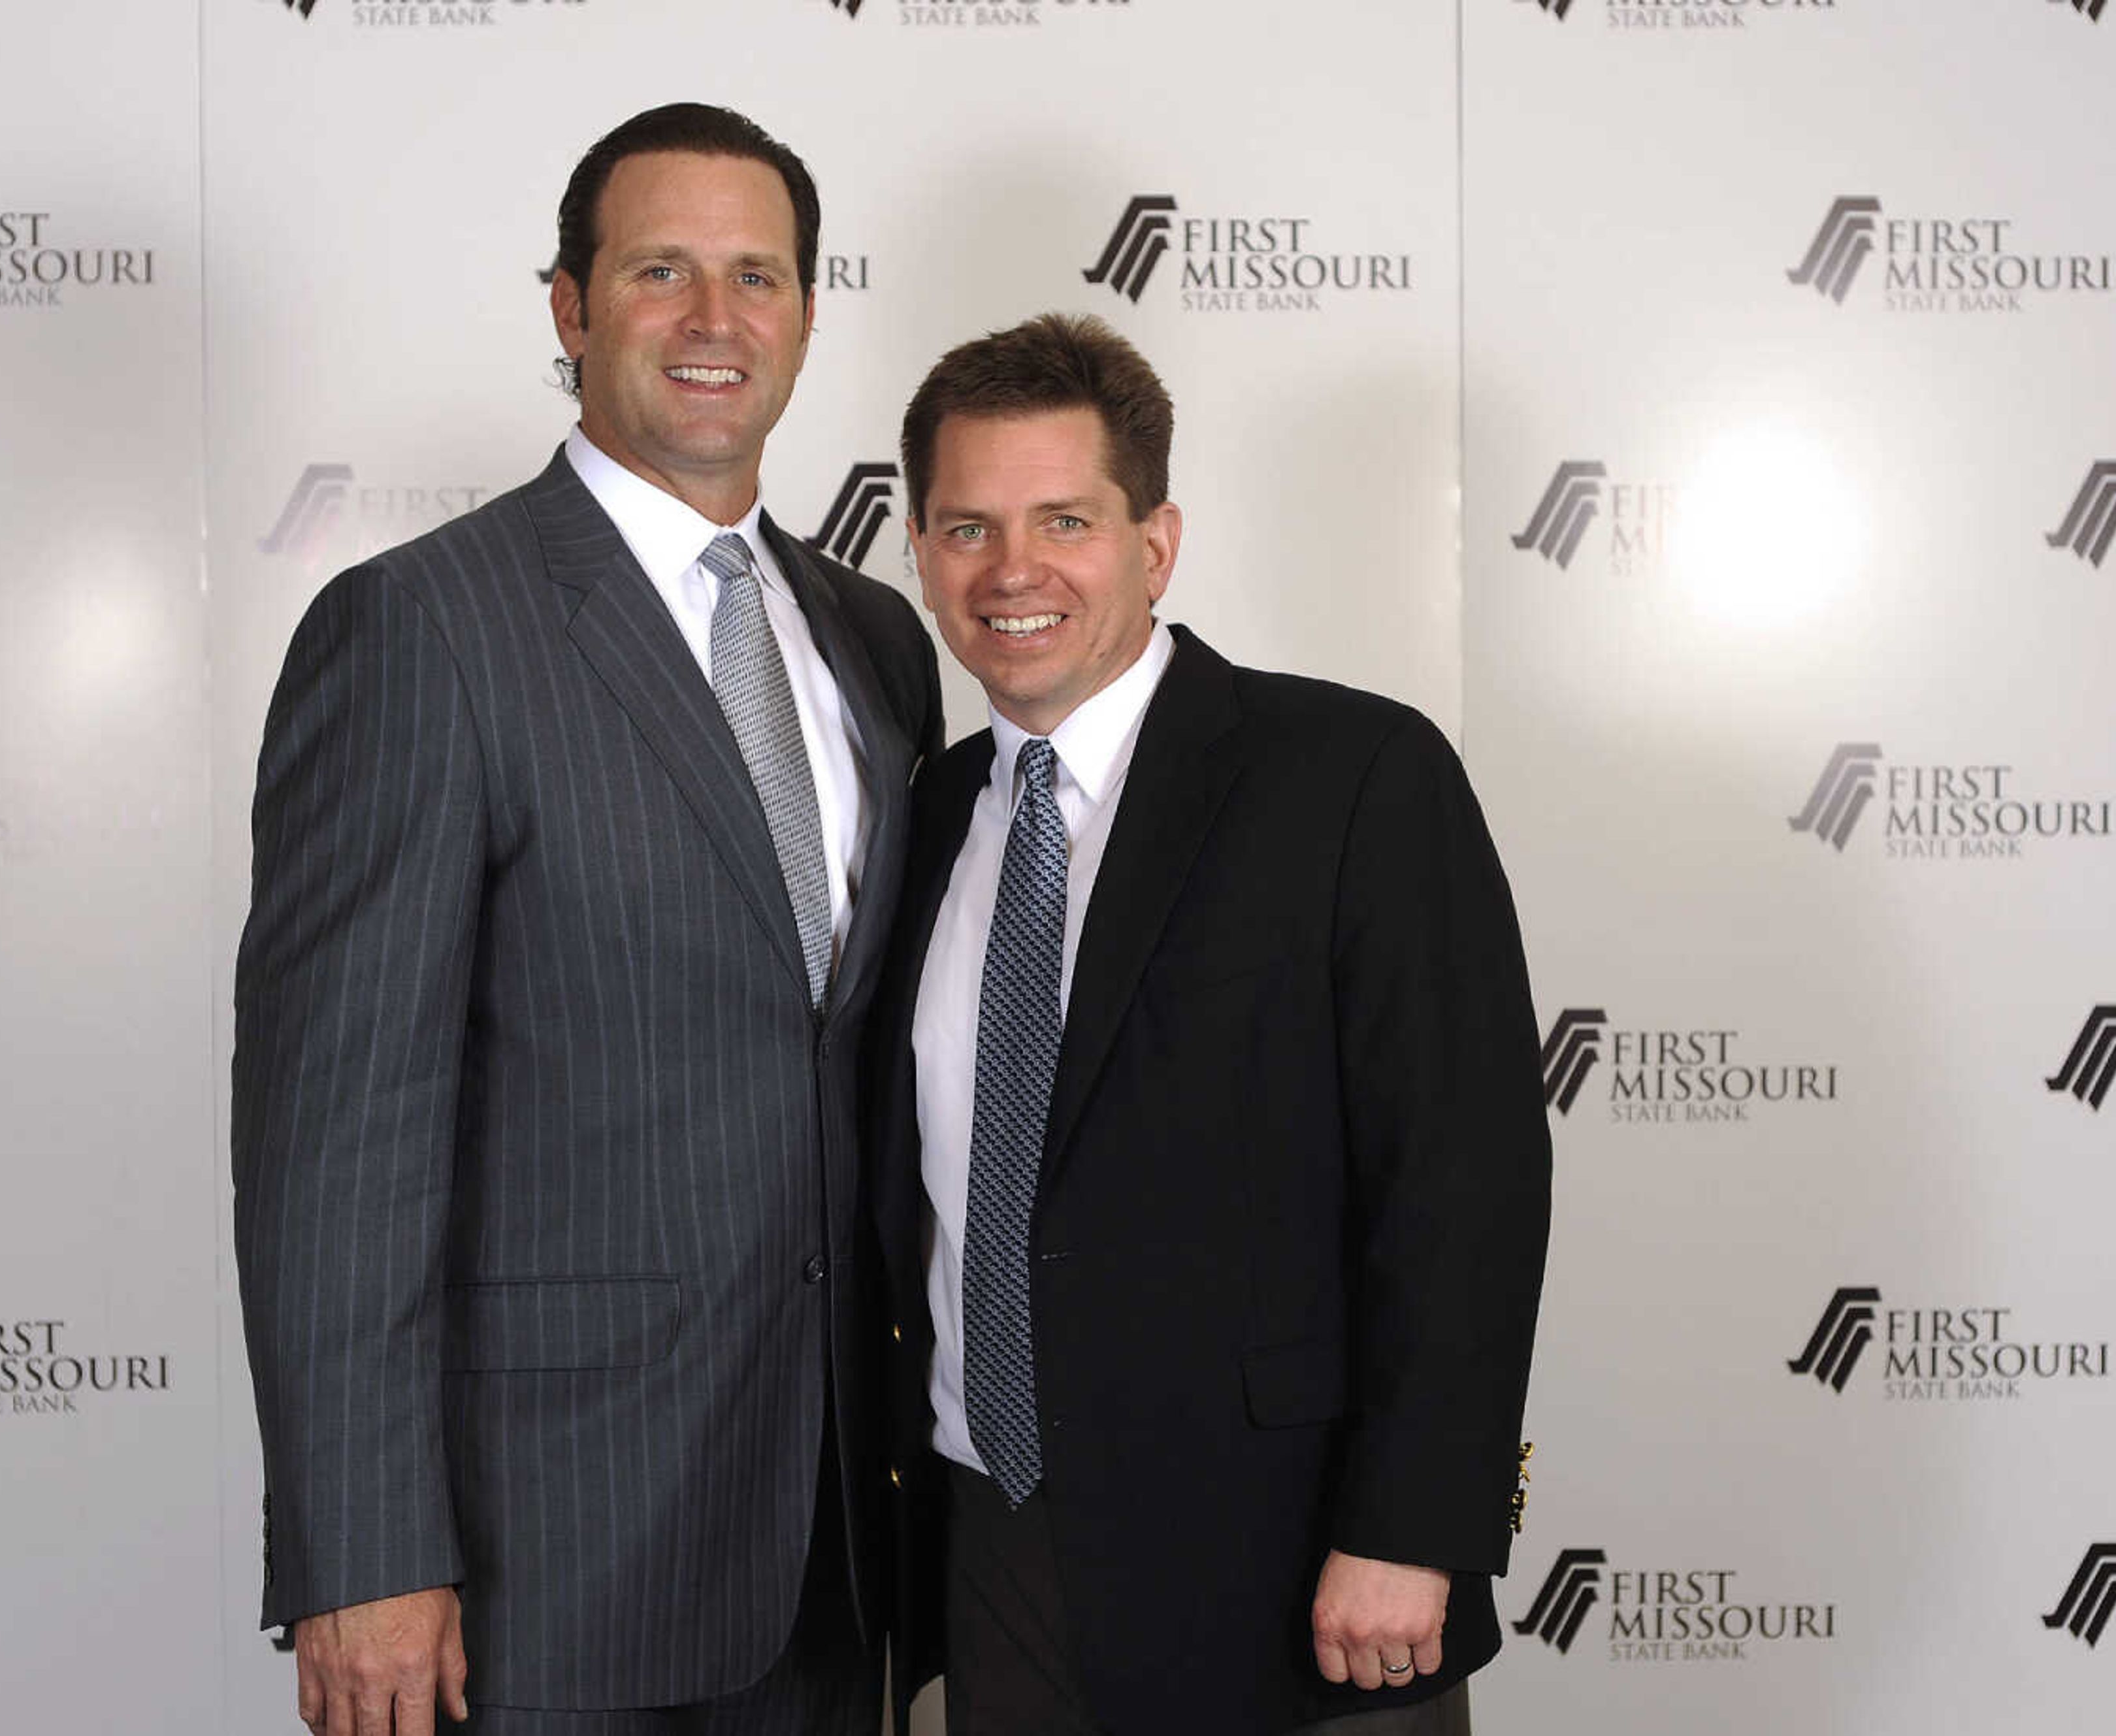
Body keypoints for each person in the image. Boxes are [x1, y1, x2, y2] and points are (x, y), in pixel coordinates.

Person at [232, 103, 942, 1736]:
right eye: (660, 273)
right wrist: (363, 1557)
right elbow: (334, 1141)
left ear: (811, 316)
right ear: (569, 308)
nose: (716, 322)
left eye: (757, 276)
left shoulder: (877, 642)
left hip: (835, 1559)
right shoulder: (421, 630)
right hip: (536, 1564)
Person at [871, 313, 1549, 1735]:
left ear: (1156, 542)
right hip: (998, 1554)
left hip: (1299, 1575)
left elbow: (1464, 1182)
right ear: (923, 553)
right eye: (965, 528)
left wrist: (1414, 1527)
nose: (1013, 573)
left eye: (1066, 519)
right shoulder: (927, 815)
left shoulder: (1353, 775)